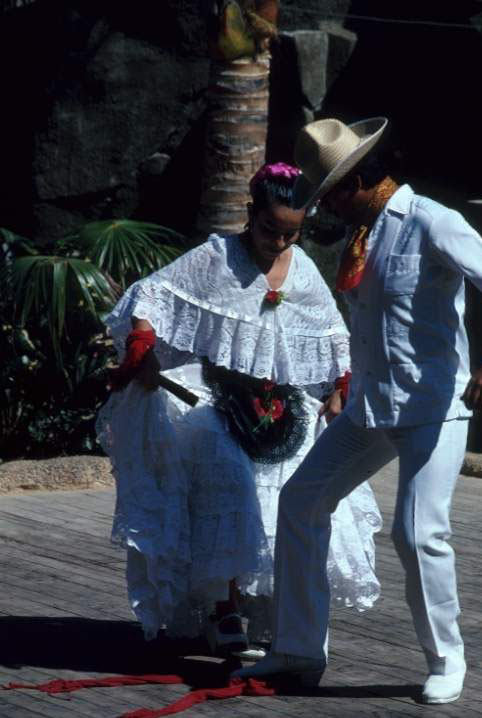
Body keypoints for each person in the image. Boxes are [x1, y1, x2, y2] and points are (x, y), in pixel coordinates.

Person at [235, 118, 482, 701]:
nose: (326, 208)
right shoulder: (363, 235)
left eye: (330, 196)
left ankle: (446, 660)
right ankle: (297, 649)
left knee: (417, 533)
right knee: (301, 501)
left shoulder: (431, 221)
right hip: (370, 407)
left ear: (356, 184)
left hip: (431, 406)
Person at [97, 161, 382, 659]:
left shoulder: (302, 268)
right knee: (228, 477)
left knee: (287, 489)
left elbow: (334, 332)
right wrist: (142, 344)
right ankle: (222, 608)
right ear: (252, 214)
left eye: (291, 234)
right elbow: (151, 293)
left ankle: (270, 610)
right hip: (215, 395)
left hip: (277, 404)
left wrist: (341, 386)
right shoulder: (216, 257)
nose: (279, 242)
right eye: (271, 230)